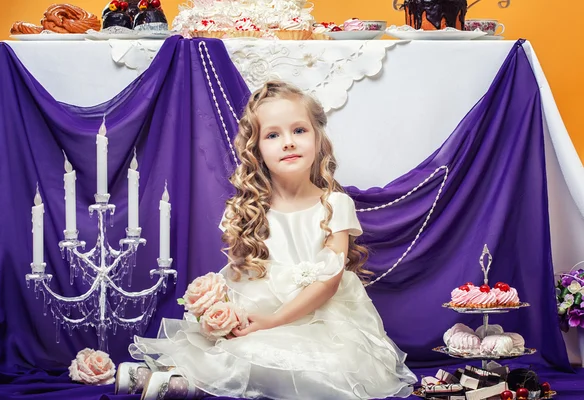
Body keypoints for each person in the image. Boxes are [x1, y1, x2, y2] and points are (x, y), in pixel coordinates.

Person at [115, 81, 417, 399]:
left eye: (299, 130)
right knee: (226, 343)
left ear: (318, 138)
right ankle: (153, 375)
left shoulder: (334, 204)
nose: (288, 143)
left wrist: (272, 321)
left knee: (296, 359)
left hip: (318, 316)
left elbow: (328, 282)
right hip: (260, 308)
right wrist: (228, 315)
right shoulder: (245, 210)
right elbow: (235, 278)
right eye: (273, 135)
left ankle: (185, 384)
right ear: (256, 149)